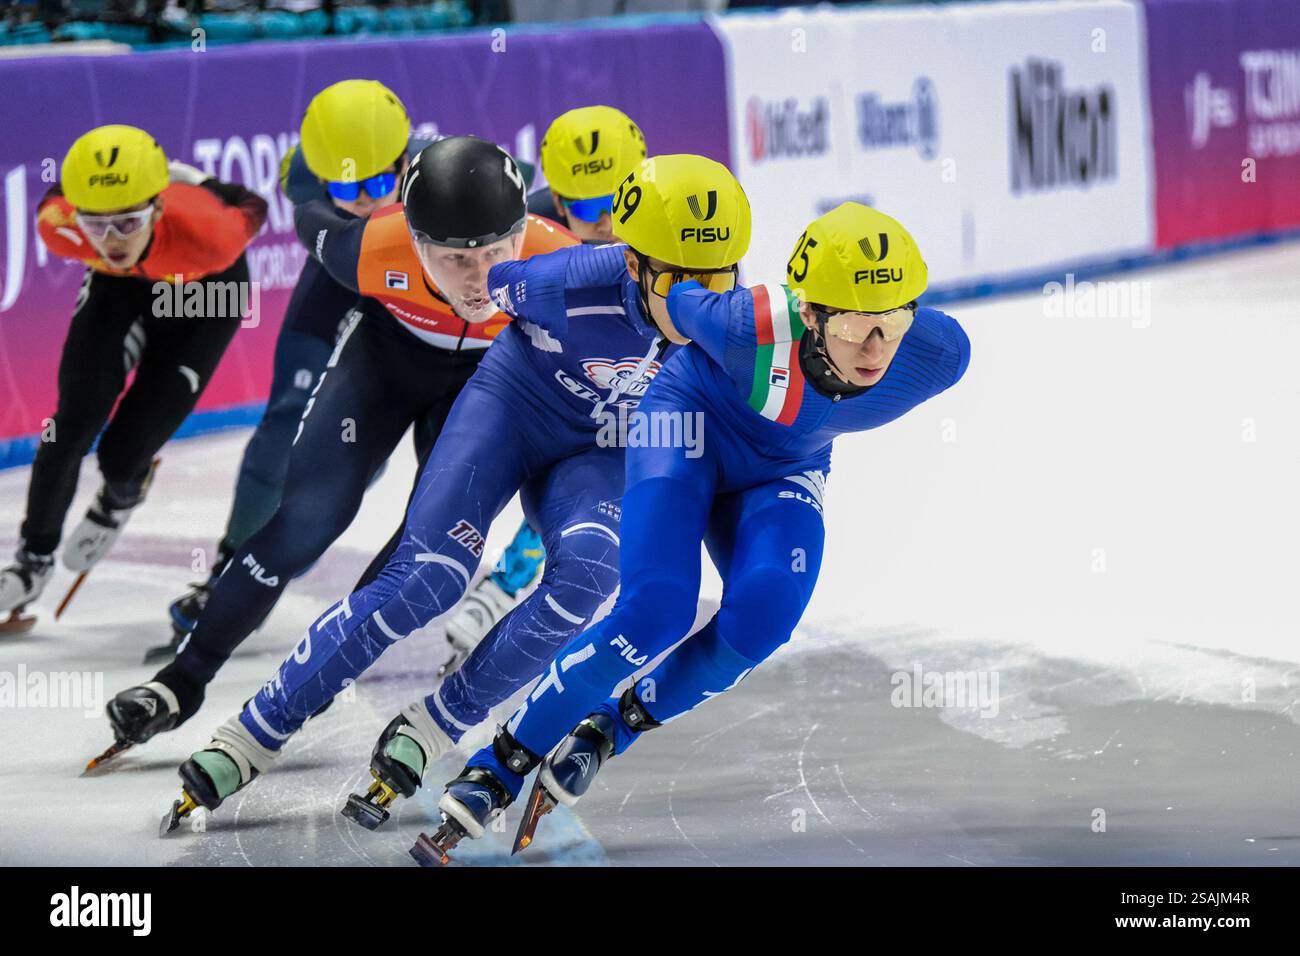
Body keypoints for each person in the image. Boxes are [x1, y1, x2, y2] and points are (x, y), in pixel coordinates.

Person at [160, 155, 752, 832]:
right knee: (430, 577)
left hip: (599, 454)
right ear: (635, 263)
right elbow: (471, 274)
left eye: (719, 277)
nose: (699, 300)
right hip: (511, 415)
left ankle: (441, 722)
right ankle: (256, 728)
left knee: (589, 577)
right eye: (679, 281)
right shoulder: (556, 278)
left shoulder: (736, 328)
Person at [414, 202, 972, 863]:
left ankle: (610, 729)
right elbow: (654, 284)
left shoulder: (939, 353)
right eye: (855, 326)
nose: (876, 348)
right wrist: (520, 283)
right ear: (810, 312)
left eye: (893, 322)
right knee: (656, 609)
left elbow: (892, 339)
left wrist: (882, 329)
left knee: (765, 615)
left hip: (784, 467)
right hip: (684, 432)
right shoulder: (743, 324)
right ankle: (500, 764)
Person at [101, 135, 574, 759]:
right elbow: (305, 214)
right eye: (454, 259)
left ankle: (327, 659)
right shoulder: (370, 248)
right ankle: (180, 683)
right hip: (383, 363)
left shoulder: (559, 263)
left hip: (486, 381)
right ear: (414, 240)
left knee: (420, 545)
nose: (480, 279)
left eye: (495, 252)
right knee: (303, 521)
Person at [0, 125, 267, 630]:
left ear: (159, 207)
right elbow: (75, 208)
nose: (111, 240)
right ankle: (31, 562)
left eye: (127, 222)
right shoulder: (59, 224)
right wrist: (116, 228)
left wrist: (197, 180)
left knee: (122, 452)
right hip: (120, 288)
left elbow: (253, 204)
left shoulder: (214, 233)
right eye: (96, 225)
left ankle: (123, 491)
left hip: (204, 293)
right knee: (69, 426)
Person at [444, 105, 648, 668]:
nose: (605, 221)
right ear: (556, 201)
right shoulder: (523, 230)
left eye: (616, 202)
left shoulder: (673, 226)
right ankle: (508, 578)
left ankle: (513, 580)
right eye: (585, 207)